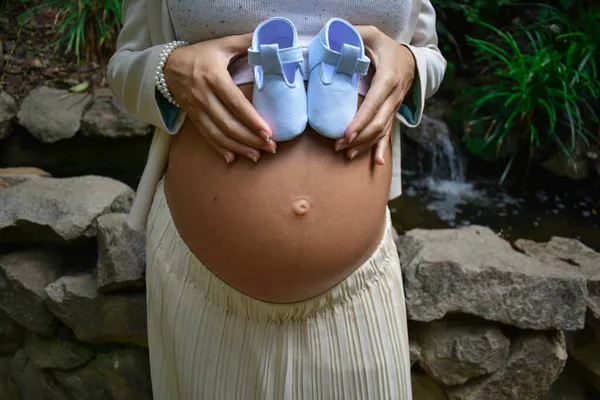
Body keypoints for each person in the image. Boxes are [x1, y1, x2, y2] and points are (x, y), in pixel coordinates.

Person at [107, 0, 446, 398]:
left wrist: (409, 65)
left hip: (358, 293)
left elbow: (429, 56)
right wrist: (168, 70)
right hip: (200, 288)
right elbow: (123, 68)